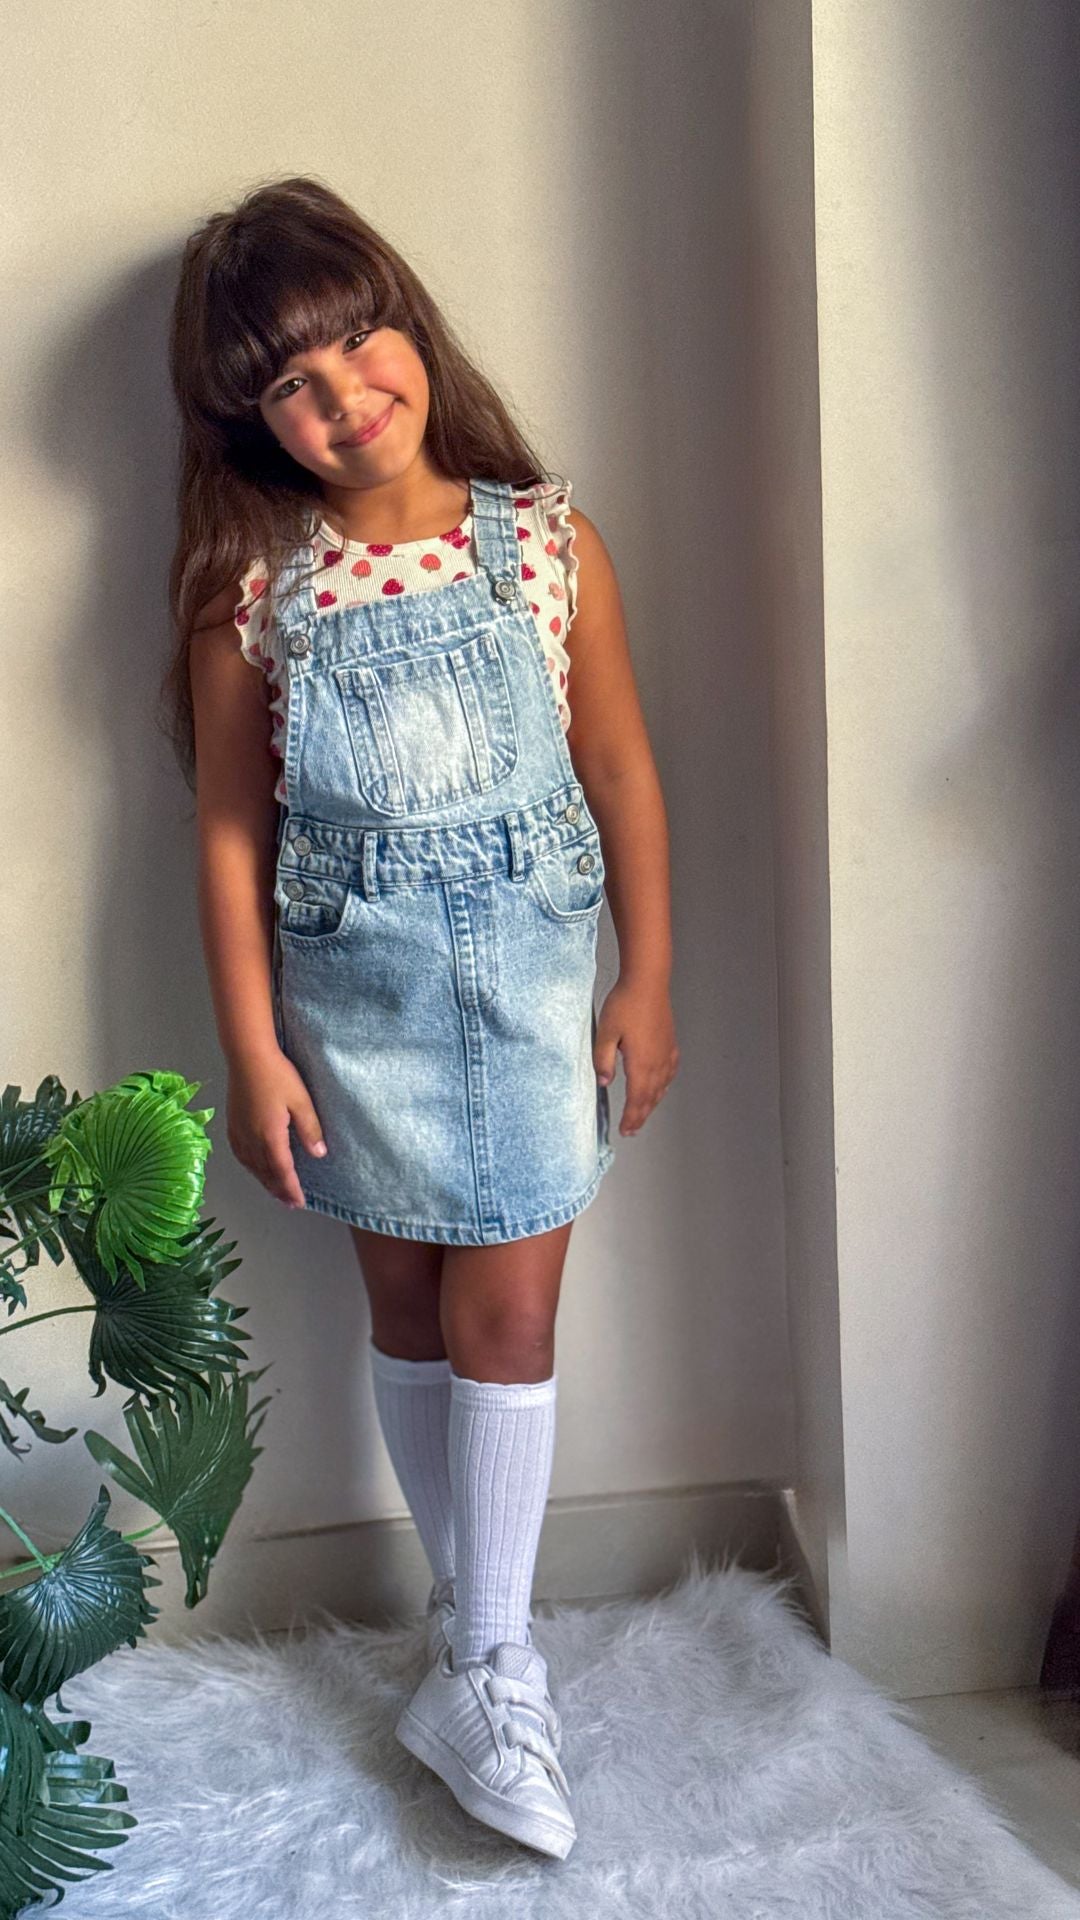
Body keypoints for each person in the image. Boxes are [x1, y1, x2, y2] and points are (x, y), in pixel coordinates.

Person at [161, 175, 678, 1861]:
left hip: (530, 987)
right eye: (290, 385)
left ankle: (496, 1663)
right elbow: (228, 830)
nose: (344, 396)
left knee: (507, 1314)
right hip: (355, 992)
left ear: (411, 322)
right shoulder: (257, 587)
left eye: (359, 342)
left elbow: (620, 769)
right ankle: (470, 1635)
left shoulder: (545, 542)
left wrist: (648, 975)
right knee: (405, 1304)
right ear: (252, 422)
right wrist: (252, 1047)